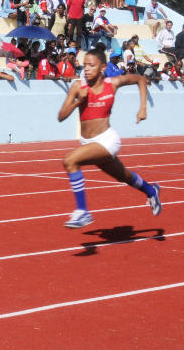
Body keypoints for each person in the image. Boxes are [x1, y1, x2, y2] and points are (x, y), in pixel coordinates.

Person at [57, 47, 162, 229]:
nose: (87, 69)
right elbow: (61, 116)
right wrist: (77, 102)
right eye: (84, 66)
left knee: (70, 161)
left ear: (103, 67)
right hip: (88, 143)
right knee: (124, 176)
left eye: (91, 65)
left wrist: (143, 107)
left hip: (107, 140)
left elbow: (140, 79)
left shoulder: (112, 83)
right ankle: (151, 190)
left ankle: (82, 211)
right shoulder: (77, 86)